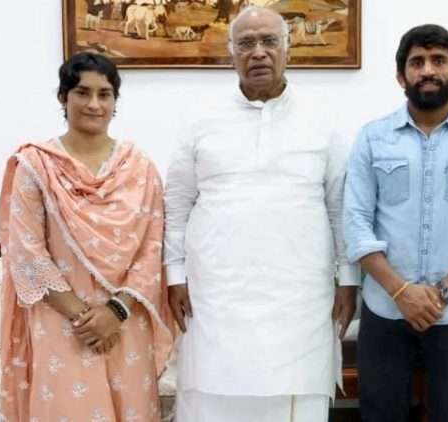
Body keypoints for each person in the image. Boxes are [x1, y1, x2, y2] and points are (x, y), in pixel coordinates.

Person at [163, 6, 359, 422]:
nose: (259, 52)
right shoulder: (200, 122)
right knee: (211, 395)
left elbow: (340, 206)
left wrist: (349, 279)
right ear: (231, 53)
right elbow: (177, 203)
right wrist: (175, 275)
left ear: (288, 50)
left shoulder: (321, 122)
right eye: (246, 43)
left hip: (300, 299)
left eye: (269, 41)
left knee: (295, 397)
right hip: (215, 296)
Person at [343, 24, 448, 422]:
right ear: (401, 76)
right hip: (385, 311)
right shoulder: (372, 139)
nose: (427, 70)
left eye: (439, 60)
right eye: (416, 62)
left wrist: (443, 294)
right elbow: (355, 224)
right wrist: (401, 291)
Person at [0, 52, 176, 422]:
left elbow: (152, 247)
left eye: (105, 94)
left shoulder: (138, 168)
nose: (94, 104)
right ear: (63, 98)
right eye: (82, 92)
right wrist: (87, 320)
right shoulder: (36, 165)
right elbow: (28, 254)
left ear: (115, 102)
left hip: (127, 320)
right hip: (61, 321)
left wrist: (114, 313)